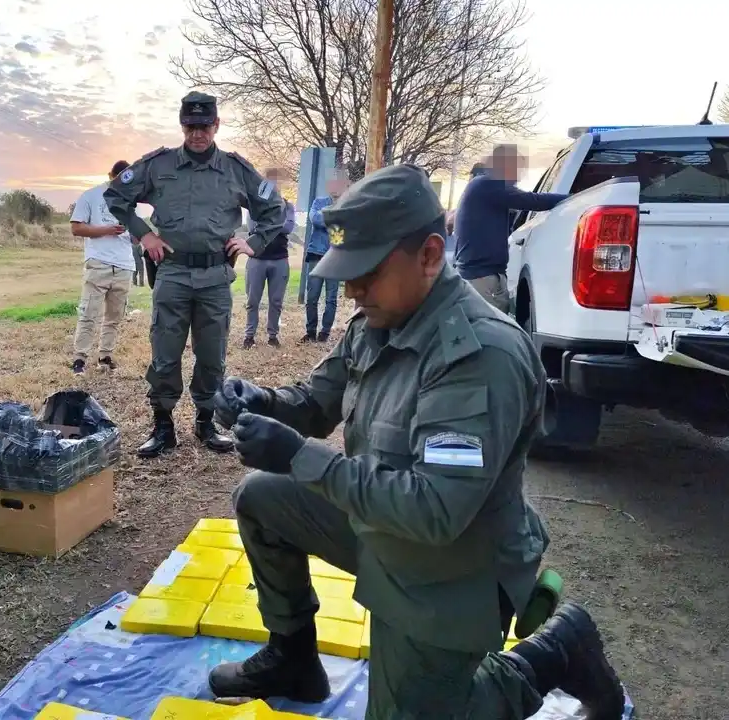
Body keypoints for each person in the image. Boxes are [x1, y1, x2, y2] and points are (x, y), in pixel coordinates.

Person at [208, 164, 625, 719]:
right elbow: (315, 402)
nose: (352, 289)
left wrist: (299, 456)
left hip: (455, 568)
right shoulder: (380, 318)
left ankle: (550, 654)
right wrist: (262, 401)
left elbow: (435, 511)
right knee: (262, 495)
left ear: (430, 255)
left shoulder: (478, 356)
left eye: (367, 272)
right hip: (388, 528)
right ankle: (293, 659)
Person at [104, 91, 286, 459]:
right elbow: (116, 196)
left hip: (215, 276)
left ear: (216, 125)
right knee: (165, 353)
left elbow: (274, 208)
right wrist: (145, 234)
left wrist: (253, 242)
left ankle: (206, 422)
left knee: (212, 355)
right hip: (172, 272)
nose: (197, 133)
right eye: (190, 126)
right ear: (182, 125)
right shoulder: (158, 165)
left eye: (204, 126)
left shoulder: (236, 169)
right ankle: (163, 426)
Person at [454, 145, 568, 313]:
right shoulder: (489, 184)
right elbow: (532, 200)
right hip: (483, 278)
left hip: (477, 274)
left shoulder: (481, 186)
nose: (518, 176)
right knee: (492, 326)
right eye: (516, 168)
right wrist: (575, 198)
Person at [69, 160, 135, 374]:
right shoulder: (91, 196)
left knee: (115, 316)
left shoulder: (130, 200)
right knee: (89, 313)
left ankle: (105, 356)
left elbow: (135, 236)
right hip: (98, 262)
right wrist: (107, 230)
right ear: (110, 175)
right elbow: (76, 228)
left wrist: (137, 235)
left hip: (124, 264)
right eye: (118, 179)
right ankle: (80, 359)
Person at [243, 167, 295, 349]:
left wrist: (268, 223)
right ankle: (249, 336)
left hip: (280, 259)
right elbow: (253, 227)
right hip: (257, 259)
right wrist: (277, 223)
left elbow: (289, 228)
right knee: (252, 301)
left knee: (276, 301)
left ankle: (273, 336)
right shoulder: (254, 206)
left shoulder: (288, 206)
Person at [302, 172, 349, 343]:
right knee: (312, 296)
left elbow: (344, 228)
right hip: (316, 254)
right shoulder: (319, 202)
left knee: (331, 298)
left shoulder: (347, 205)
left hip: (335, 256)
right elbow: (315, 219)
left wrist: (329, 218)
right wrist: (334, 219)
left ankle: (325, 332)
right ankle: (310, 331)